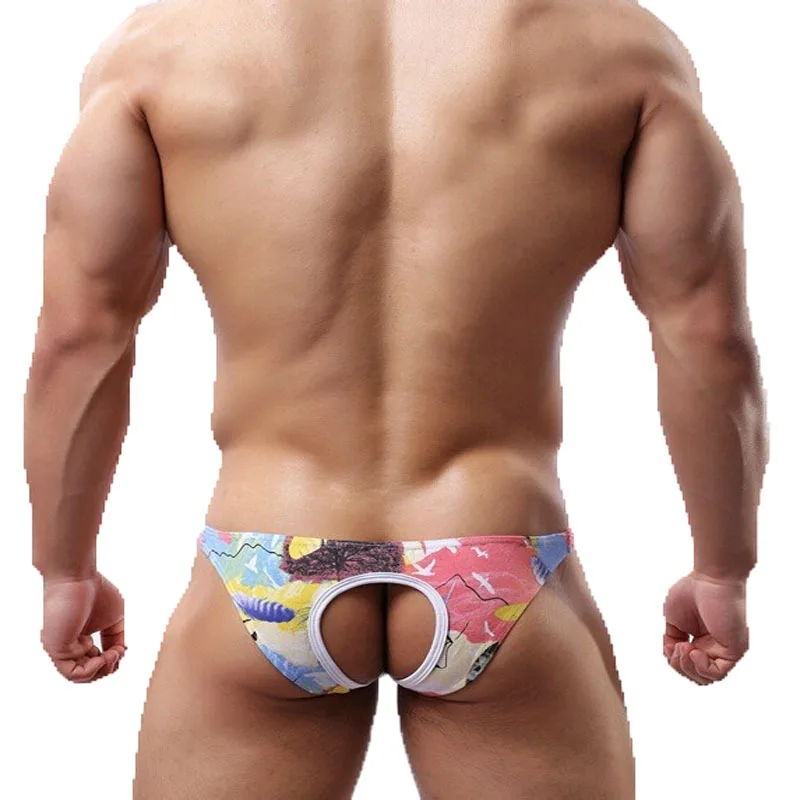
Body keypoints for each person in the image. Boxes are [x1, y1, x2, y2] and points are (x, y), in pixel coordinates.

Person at [24, 0, 768, 797]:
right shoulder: (621, 47)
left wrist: (66, 569)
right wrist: (722, 569)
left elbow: (80, 340)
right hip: (494, 547)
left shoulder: (158, 49)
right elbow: (708, 338)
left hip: (269, 549)